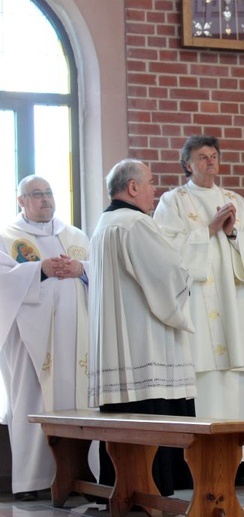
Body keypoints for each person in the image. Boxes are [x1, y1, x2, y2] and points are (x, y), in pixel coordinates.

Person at [154, 135, 244, 465]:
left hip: (230, 303)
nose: (210, 161)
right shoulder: (172, 201)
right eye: (202, 157)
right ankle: (201, 457)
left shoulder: (235, 200)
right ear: (187, 164)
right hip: (193, 304)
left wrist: (233, 232)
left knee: (232, 375)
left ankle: (238, 457)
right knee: (201, 372)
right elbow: (164, 248)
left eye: (214, 156)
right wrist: (207, 230)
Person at [88, 159, 196, 495]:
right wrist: (187, 280)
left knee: (124, 418)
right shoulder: (135, 224)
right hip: (145, 344)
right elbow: (168, 275)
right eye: (149, 182)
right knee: (151, 415)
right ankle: (153, 489)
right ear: (132, 187)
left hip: (118, 350)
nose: (154, 190)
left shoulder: (104, 225)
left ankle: (123, 489)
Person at [0, 176, 90, 501]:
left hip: (76, 337)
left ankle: (80, 477)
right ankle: (30, 480)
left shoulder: (75, 236)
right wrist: (39, 270)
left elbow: (98, 272)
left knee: (77, 401)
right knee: (30, 401)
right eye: (36, 194)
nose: (45, 199)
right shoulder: (7, 236)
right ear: (21, 201)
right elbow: (3, 281)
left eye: (49, 193)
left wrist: (82, 268)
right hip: (28, 340)